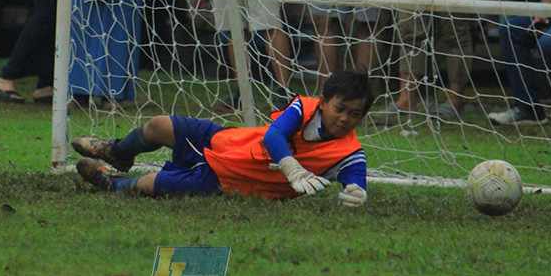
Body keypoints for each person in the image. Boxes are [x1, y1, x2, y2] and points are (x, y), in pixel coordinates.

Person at [71, 69, 371, 206]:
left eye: (354, 114)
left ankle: (112, 183)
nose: (344, 119)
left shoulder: (349, 153)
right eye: (340, 109)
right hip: (225, 140)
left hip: (231, 181)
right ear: (322, 102)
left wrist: (357, 192)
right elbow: (275, 136)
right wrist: (292, 169)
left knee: (148, 185)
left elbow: (355, 179)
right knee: (158, 125)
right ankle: (119, 152)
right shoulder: (304, 107)